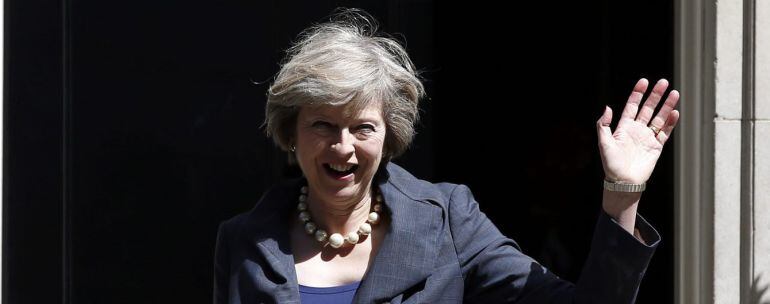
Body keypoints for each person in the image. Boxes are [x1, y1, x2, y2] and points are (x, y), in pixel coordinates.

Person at [213, 8, 681, 304]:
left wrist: (623, 196)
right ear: (291, 133)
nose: (343, 146)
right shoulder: (243, 241)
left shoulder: (449, 221)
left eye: (363, 128)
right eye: (323, 125)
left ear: (389, 137)